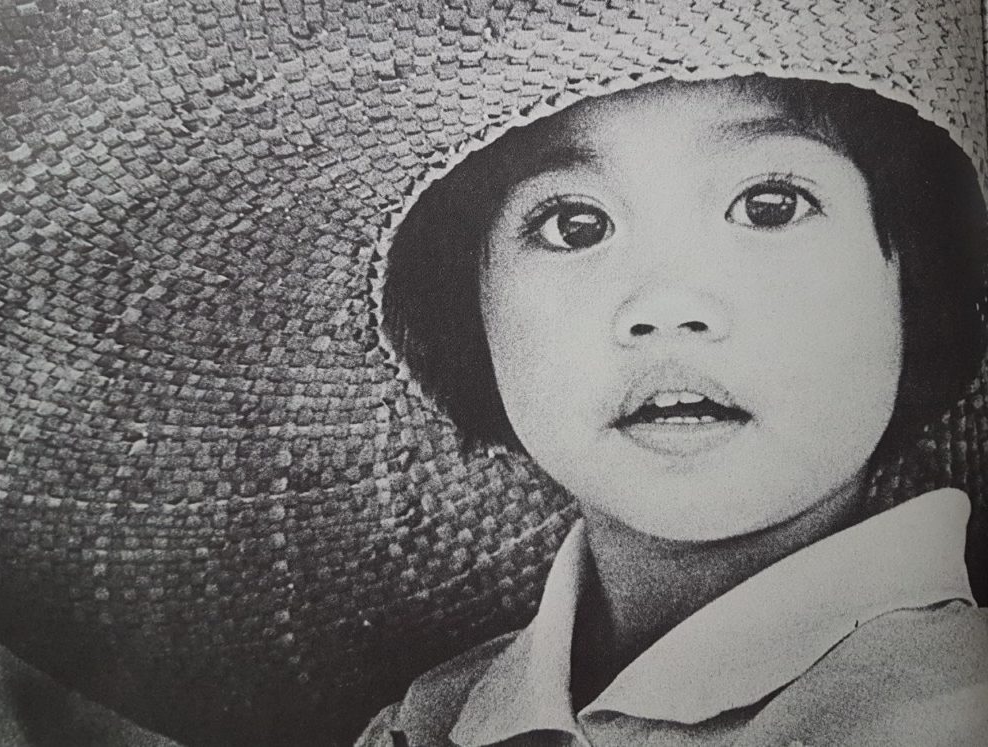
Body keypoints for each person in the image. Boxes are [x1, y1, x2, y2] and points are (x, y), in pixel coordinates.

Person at [356, 73, 988, 746]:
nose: (666, 304)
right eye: (576, 225)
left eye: (770, 205)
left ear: (915, 279)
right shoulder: (425, 725)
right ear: (468, 312)